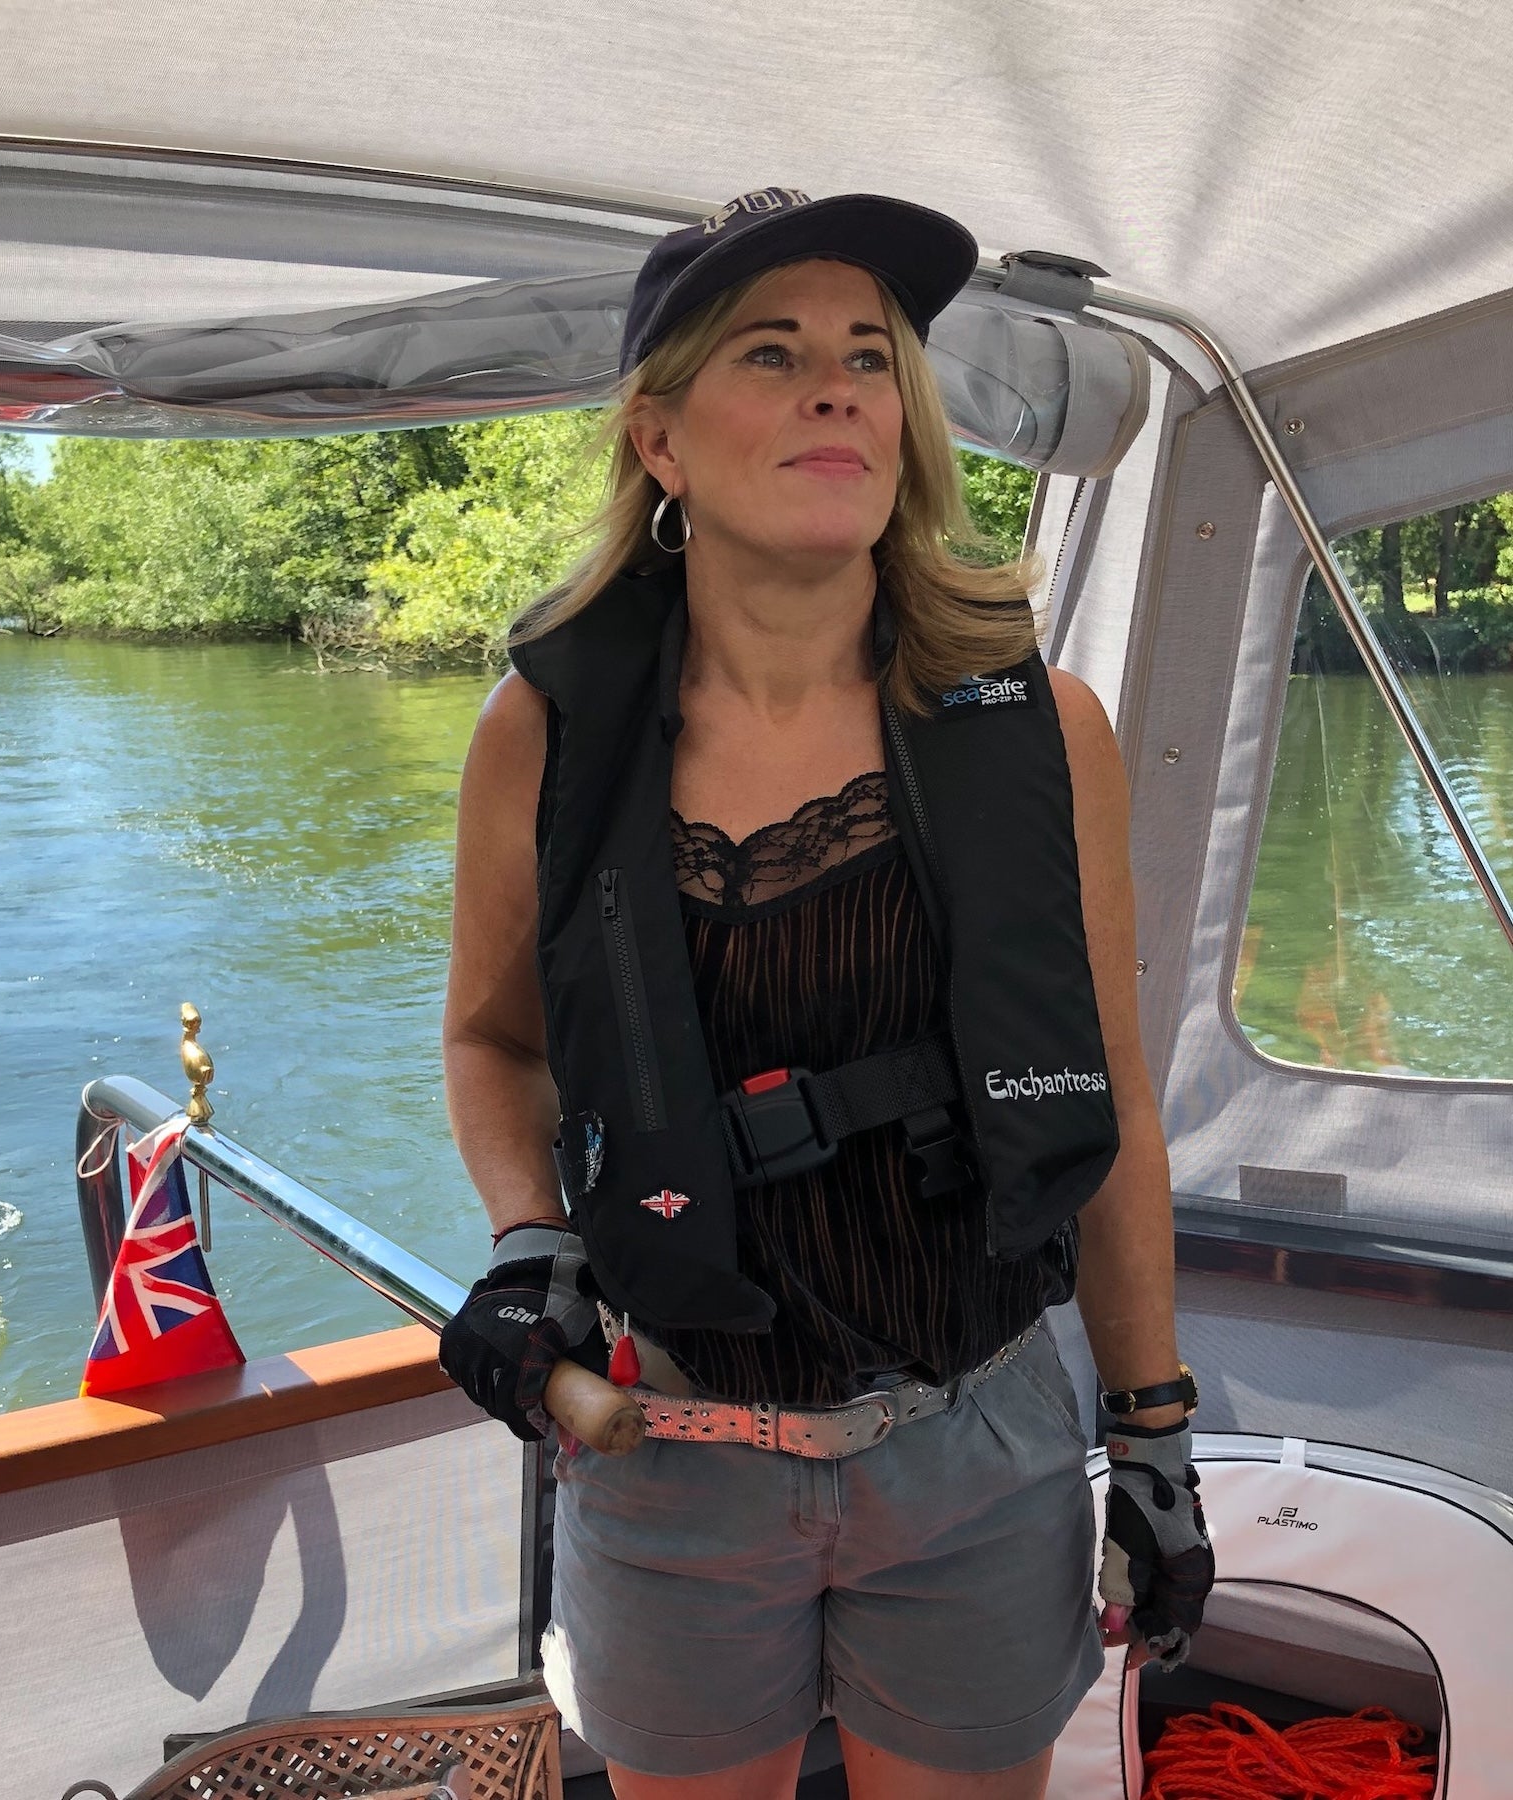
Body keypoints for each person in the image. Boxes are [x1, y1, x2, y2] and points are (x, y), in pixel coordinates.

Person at [439, 188, 1213, 1800]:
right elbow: (494, 1041)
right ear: (658, 441)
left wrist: (1153, 1437)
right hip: (667, 1457)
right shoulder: (546, 733)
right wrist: (531, 1241)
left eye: (870, 355)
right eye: (773, 354)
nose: (838, 388)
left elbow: (1114, 1099)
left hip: (980, 1451)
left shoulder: (1040, 726)